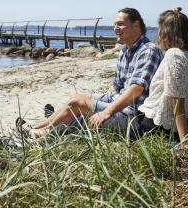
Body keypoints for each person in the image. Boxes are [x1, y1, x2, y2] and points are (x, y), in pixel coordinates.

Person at [21, 8, 163, 138]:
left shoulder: (148, 51)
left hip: (133, 118)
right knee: (76, 99)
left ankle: (43, 134)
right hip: (119, 107)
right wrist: (97, 103)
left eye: (120, 24)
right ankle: (36, 128)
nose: (115, 28)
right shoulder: (125, 51)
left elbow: (136, 89)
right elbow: (116, 87)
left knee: (78, 103)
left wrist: (105, 112)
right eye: (114, 25)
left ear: (136, 25)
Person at [138, 7, 188, 145]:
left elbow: (177, 101)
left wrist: (185, 142)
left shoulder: (174, 55)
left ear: (166, 32)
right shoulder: (184, 54)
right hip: (176, 125)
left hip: (160, 126)